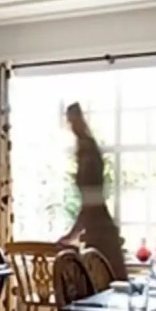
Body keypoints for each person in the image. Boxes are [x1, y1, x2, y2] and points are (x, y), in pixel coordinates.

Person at [57, 102, 127, 280]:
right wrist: (73, 233)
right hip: (96, 228)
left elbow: (90, 202)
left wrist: (72, 234)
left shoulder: (88, 151)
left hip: (99, 230)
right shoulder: (86, 148)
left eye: (73, 121)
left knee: (105, 280)